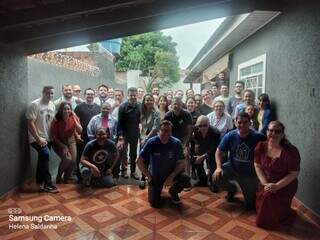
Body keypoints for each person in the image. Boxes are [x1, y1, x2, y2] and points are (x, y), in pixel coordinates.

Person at [213, 112, 266, 209]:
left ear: (250, 123)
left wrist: (261, 175)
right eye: (239, 122)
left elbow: (269, 148)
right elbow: (218, 151)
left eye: (245, 122)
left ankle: (249, 192)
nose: (242, 125)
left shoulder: (258, 137)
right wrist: (218, 167)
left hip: (249, 173)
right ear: (235, 122)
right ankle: (232, 189)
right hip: (233, 168)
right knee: (216, 177)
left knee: (250, 206)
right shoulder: (230, 135)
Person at [255, 121, 300, 229]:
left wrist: (277, 186)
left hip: (285, 184)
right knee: (265, 197)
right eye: (270, 130)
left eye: (277, 131)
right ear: (266, 132)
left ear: (283, 134)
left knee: (268, 199)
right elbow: (257, 165)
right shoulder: (261, 146)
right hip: (265, 181)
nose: (273, 134)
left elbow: (294, 173)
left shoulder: (291, 151)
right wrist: (265, 183)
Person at [137, 120, 191, 208]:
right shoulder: (152, 142)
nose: (165, 133)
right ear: (158, 131)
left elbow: (182, 163)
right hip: (155, 177)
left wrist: (172, 176)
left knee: (186, 179)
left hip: (170, 174)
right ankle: (157, 189)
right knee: (154, 202)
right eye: (163, 130)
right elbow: (138, 161)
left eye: (168, 131)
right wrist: (149, 177)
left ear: (171, 132)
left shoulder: (176, 143)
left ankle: (173, 192)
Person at [26, 86, 58, 193]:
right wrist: (38, 138)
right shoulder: (34, 105)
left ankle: (39, 183)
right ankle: (48, 184)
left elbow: (51, 122)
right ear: (43, 93)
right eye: (48, 93)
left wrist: (52, 135)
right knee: (45, 154)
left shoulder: (52, 105)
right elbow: (30, 123)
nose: (50, 95)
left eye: (52, 93)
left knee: (42, 158)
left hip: (47, 138)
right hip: (36, 138)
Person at [51, 102, 82, 183]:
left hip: (71, 140)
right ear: (61, 110)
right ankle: (59, 176)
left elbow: (80, 130)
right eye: (64, 109)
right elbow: (54, 137)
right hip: (59, 141)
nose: (67, 111)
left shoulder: (73, 117)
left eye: (68, 109)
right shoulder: (56, 120)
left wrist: (74, 118)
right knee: (67, 159)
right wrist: (63, 147)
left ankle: (67, 178)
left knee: (73, 160)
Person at [74, 88, 100, 182]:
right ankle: (80, 175)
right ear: (85, 95)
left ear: (94, 95)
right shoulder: (79, 107)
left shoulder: (98, 107)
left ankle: (92, 175)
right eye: (88, 94)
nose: (90, 96)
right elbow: (74, 122)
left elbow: (102, 121)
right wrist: (77, 135)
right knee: (80, 155)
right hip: (82, 136)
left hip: (94, 137)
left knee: (92, 155)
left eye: (91, 94)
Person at [117, 87, 141, 179]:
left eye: (134, 95)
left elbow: (141, 120)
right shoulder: (122, 106)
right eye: (131, 95)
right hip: (125, 133)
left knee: (134, 153)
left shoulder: (140, 106)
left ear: (137, 95)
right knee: (124, 153)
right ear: (128, 95)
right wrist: (120, 136)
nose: (133, 97)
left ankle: (133, 171)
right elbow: (119, 122)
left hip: (135, 133)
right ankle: (124, 171)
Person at [191, 116, 220, 191]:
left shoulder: (215, 132)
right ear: (197, 125)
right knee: (194, 159)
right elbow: (190, 139)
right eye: (200, 126)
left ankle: (212, 181)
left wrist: (203, 156)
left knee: (212, 162)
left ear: (209, 124)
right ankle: (202, 180)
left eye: (205, 125)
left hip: (213, 151)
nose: (202, 128)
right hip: (201, 146)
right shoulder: (194, 129)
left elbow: (215, 148)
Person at [139, 94, 161, 189]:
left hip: (153, 138)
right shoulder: (142, 111)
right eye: (147, 100)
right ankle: (143, 177)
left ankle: (152, 178)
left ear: (153, 101)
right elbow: (141, 125)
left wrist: (146, 139)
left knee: (153, 158)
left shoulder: (156, 112)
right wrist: (142, 137)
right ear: (144, 101)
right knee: (143, 159)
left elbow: (155, 128)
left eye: (151, 100)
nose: (149, 102)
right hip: (143, 137)